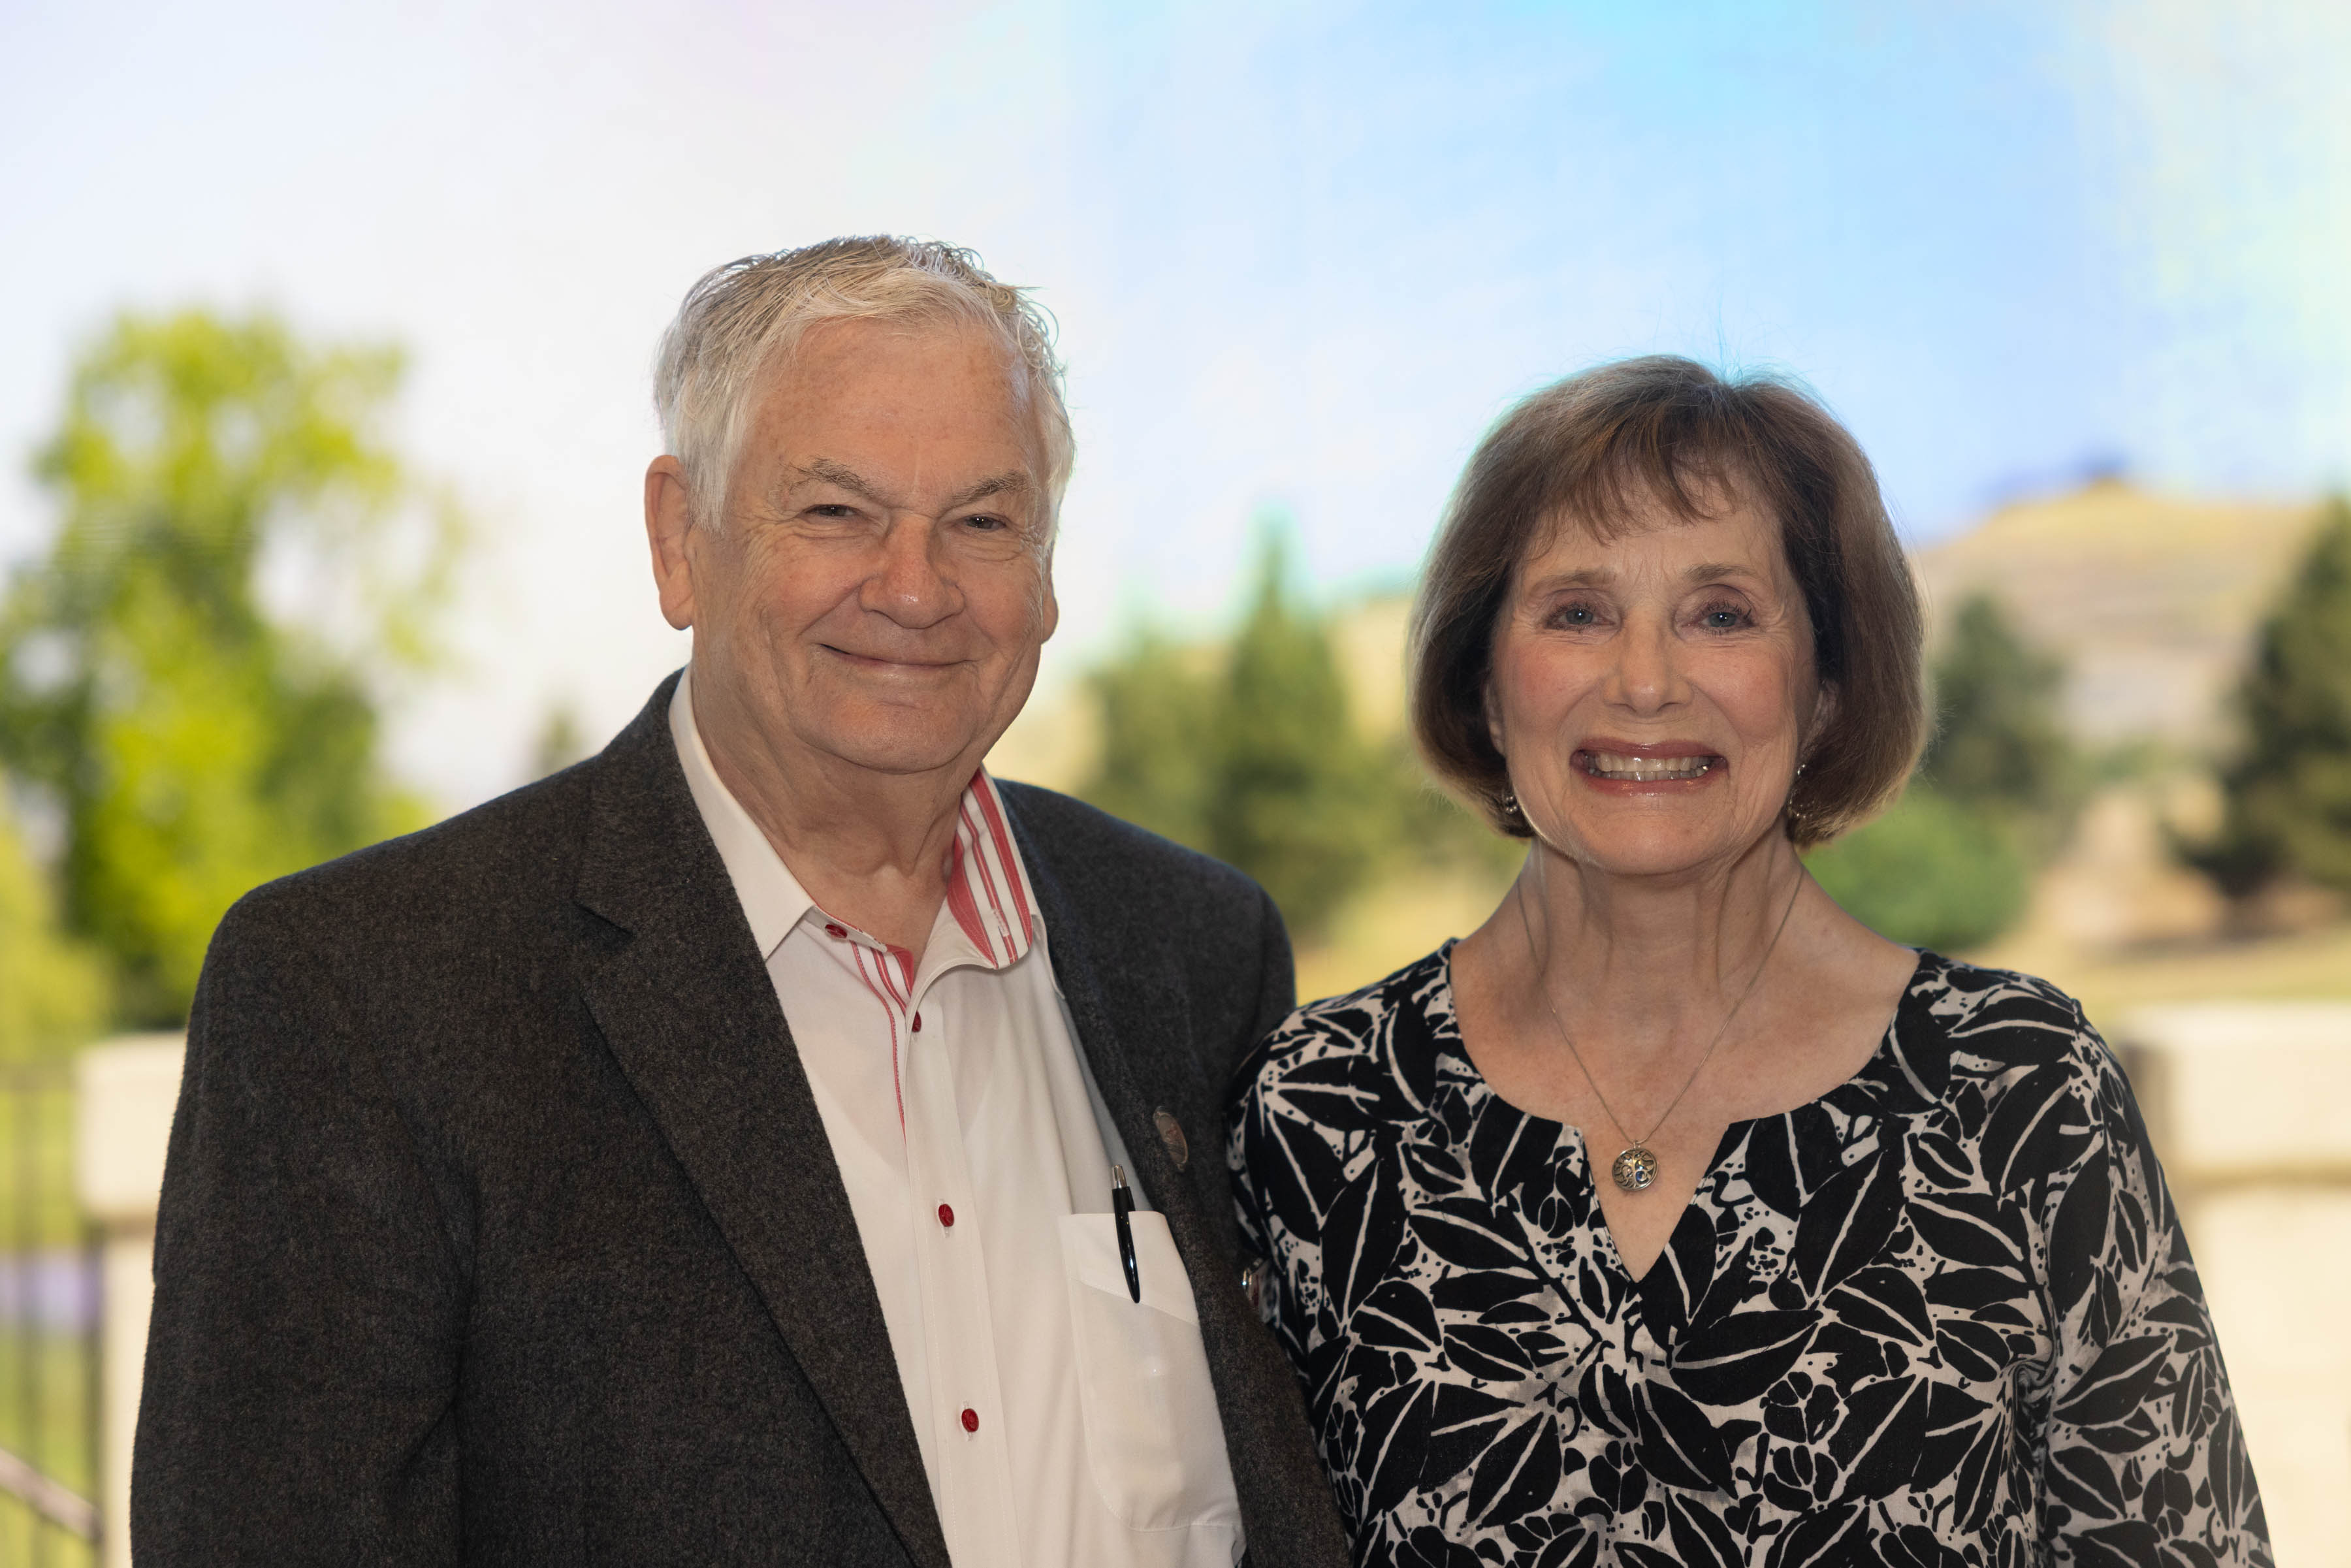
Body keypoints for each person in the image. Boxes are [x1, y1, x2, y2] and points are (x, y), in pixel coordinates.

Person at [134, 237, 1349, 1568]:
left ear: (1046, 572)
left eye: (983, 522)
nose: (914, 587)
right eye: (834, 512)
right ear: (680, 541)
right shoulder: (364, 996)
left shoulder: (1197, 955)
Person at [1229, 357, 2273, 1565]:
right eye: (1577, 612)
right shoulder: (1320, 1109)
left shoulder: (2022, 1090)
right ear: (1485, 682)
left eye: (1721, 614)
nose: (1645, 680)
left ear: (1826, 686)